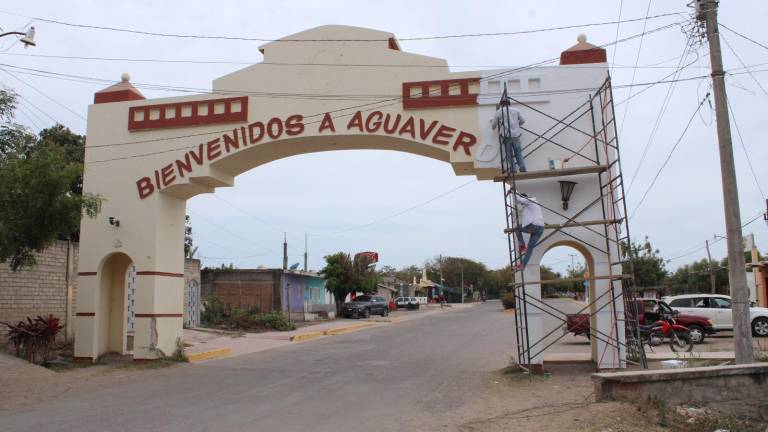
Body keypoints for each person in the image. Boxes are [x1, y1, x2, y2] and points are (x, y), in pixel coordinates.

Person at [491, 96, 526, 173]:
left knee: (509, 154)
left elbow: (494, 124)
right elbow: (523, 120)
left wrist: (493, 128)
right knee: (518, 153)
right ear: (509, 103)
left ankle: (513, 169)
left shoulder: (499, 111)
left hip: (506, 136)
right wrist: (518, 125)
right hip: (516, 135)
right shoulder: (516, 110)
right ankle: (522, 168)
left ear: (502, 103)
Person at [513, 192, 544, 270]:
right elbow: (520, 207)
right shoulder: (530, 204)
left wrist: (514, 192)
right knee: (530, 248)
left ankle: (522, 245)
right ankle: (523, 265)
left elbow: (518, 199)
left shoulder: (530, 200)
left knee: (517, 228)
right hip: (540, 229)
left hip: (534, 226)